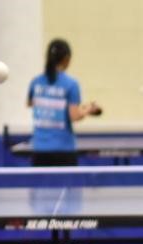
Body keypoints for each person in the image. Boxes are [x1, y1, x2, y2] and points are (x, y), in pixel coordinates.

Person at [27, 38, 101, 166]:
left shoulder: (36, 82)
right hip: (63, 150)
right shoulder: (71, 84)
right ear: (66, 59)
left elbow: (30, 103)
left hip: (39, 150)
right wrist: (88, 110)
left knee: (41, 181)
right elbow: (74, 116)